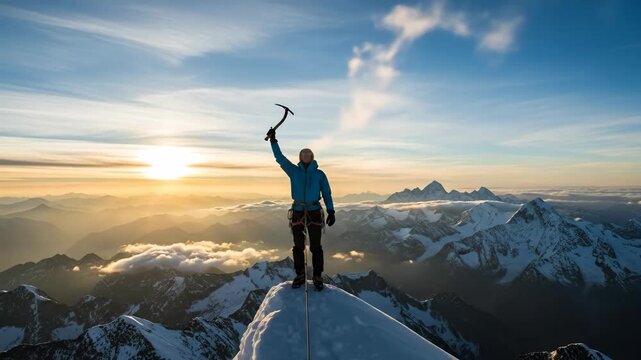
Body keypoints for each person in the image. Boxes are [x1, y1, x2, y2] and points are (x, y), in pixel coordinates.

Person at [266, 128, 335, 290]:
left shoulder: (319, 174)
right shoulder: (294, 171)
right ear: (300, 157)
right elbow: (279, 158)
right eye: (303, 153)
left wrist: (331, 210)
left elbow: (326, 192)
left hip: (311, 210)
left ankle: (316, 275)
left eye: (308, 153)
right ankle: (301, 274)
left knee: (315, 246)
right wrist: (273, 141)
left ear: (312, 157)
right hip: (301, 210)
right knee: (298, 246)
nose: (305, 155)